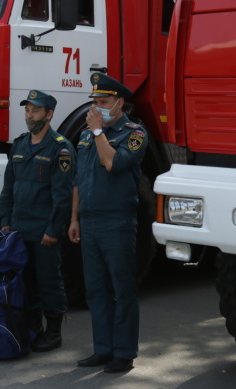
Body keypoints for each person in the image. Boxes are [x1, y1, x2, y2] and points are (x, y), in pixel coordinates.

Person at [69, 72, 148, 374]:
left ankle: (124, 352)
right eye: (95, 102)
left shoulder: (133, 132)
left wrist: (100, 132)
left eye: (103, 102)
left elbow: (113, 164)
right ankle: (102, 348)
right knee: (96, 290)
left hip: (117, 221)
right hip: (89, 221)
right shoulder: (88, 135)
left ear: (119, 103)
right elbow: (78, 180)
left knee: (122, 289)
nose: (97, 108)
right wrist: (74, 218)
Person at [0, 90, 75, 353]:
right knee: (26, 282)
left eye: (36, 111)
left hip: (44, 231)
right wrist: (6, 221)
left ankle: (54, 332)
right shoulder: (19, 144)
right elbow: (8, 187)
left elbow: (62, 195)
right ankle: (33, 329)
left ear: (49, 114)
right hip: (19, 229)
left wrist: (54, 230)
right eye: (27, 111)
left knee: (48, 282)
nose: (30, 116)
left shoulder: (60, 148)